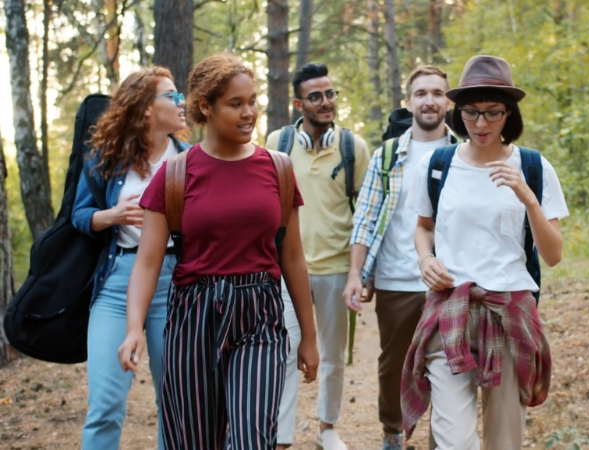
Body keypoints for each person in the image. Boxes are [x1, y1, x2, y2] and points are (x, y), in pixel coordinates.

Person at [117, 53, 319, 450]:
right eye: (236, 104)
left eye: (253, 101)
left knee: (251, 439)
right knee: (194, 441)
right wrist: (134, 327)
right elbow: (148, 261)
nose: (250, 113)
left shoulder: (277, 169)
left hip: (259, 313)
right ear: (205, 107)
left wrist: (309, 338)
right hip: (194, 315)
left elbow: (293, 258)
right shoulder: (175, 173)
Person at [401, 55, 569, 449]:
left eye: (493, 113)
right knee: (453, 438)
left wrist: (527, 197)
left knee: (504, 439)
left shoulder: (533, 166)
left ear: (509, 114)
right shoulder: (437, 164)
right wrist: (426, 259)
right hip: (450, 308)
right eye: (471, 113)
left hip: (509, 310)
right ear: (457, 113)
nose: (480, 124)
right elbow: (423, 228)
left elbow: (554, 253)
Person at [72, 67, 190, 450]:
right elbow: (79, 216)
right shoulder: (106, 158)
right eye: (171, 96)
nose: (181, 102)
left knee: (176, 406)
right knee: (105, 406)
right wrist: (114, 216)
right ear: (144, 109)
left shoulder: (191, 160)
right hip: (117, 282)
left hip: (175, 284)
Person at [343, 65, 457, 450]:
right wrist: (356, 274)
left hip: (450, 282)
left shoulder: (463, 152)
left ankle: (443, 437)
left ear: (448, 101)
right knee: (394, 366)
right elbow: (365, 219)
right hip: (396, 280)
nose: (429, 100)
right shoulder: (388, 155)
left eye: (438, 93)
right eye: (421, 93)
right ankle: (392, 430)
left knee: (450, 367)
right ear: (408, 102)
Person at [266, 62, 370, 450]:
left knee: (332, 354)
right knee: (286, 349)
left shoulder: (353, 147)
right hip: (285, 270)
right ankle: (281, 435)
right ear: (298, 103)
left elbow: (365, 211)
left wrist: (363, 271)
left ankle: (328, 427)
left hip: (337, 269)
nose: (326, 102)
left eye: (330, 94)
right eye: (316, 96)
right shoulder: (277, 143)